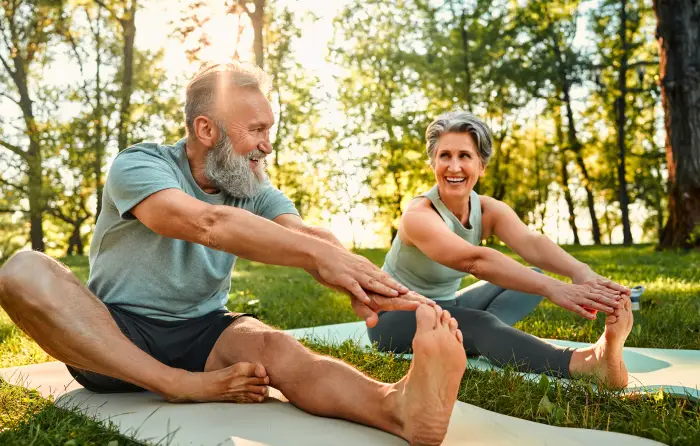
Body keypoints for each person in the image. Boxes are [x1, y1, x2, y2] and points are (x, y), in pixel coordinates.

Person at [0, 62, 468, 446]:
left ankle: (398, 408)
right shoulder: (140, 165)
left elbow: (304, 234)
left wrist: (360, 277)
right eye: (257, 129)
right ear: (206, 129)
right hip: (115, 336)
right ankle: (175, 385)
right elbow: (207, 224)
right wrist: (317, 256)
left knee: (276, 347)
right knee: (22, 270)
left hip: (205, 331)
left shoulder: (251, 185)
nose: (268, 143)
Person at [368, 111, 634, 388]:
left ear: (481, 165)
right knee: (482, 323)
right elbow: (475, 261)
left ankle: (474, 336)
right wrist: (555, 288)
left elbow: (531, 243)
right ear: (433, 164)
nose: (454, 166)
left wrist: (581, 272)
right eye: (444, 156)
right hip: (393, 318)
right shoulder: (419, 215)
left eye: (465, 156)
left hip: (445, 305)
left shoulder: (486, 209)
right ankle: (587, 364)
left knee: (527, 278)